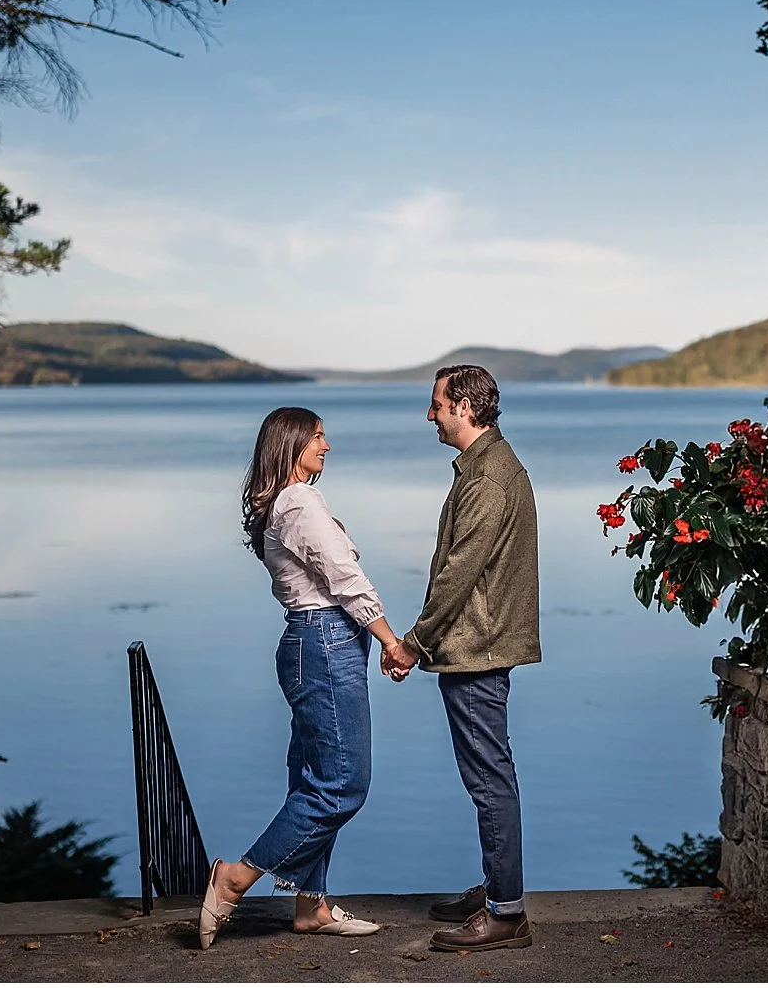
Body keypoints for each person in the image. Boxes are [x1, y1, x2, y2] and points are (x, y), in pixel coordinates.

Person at [199, 406, 415, 950]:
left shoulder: (281, 503)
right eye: (318, 436)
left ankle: (310, 905)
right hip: (325, 641)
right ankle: (236, 876)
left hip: (313, 641)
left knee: (314, 778)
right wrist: (391, 639)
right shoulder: (298, 501)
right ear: (293, 443)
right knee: (343, 784)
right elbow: (345, 576)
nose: (327, 445)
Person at [384, 364, 541, 952]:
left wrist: (409, 644)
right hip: (479, 645)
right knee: (489, 777)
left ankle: (506, 914)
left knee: (489, 782)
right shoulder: (486, 469)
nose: (431, 415)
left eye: (437, 404)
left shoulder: (488, 480)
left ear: (465, 406)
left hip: (476, 651)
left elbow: (457, 578)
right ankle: (499, 888)